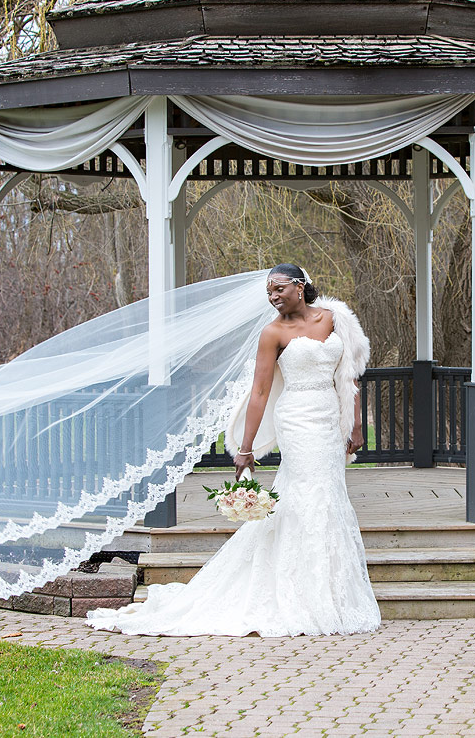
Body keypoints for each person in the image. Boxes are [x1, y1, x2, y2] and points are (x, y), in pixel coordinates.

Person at [85, 264, 382, 637]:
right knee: (310, 496)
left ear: (300, 285)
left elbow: (351, 373)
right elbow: (259, 393)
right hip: (296, 419)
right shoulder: (272, 333)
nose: (273, 297)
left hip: (328, 419)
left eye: (278, 288)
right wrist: (245, 449)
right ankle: (304, 595)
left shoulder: (336, 318)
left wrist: (354, 423)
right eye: (268, 292)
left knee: (329, 497)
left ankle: (330, 592)